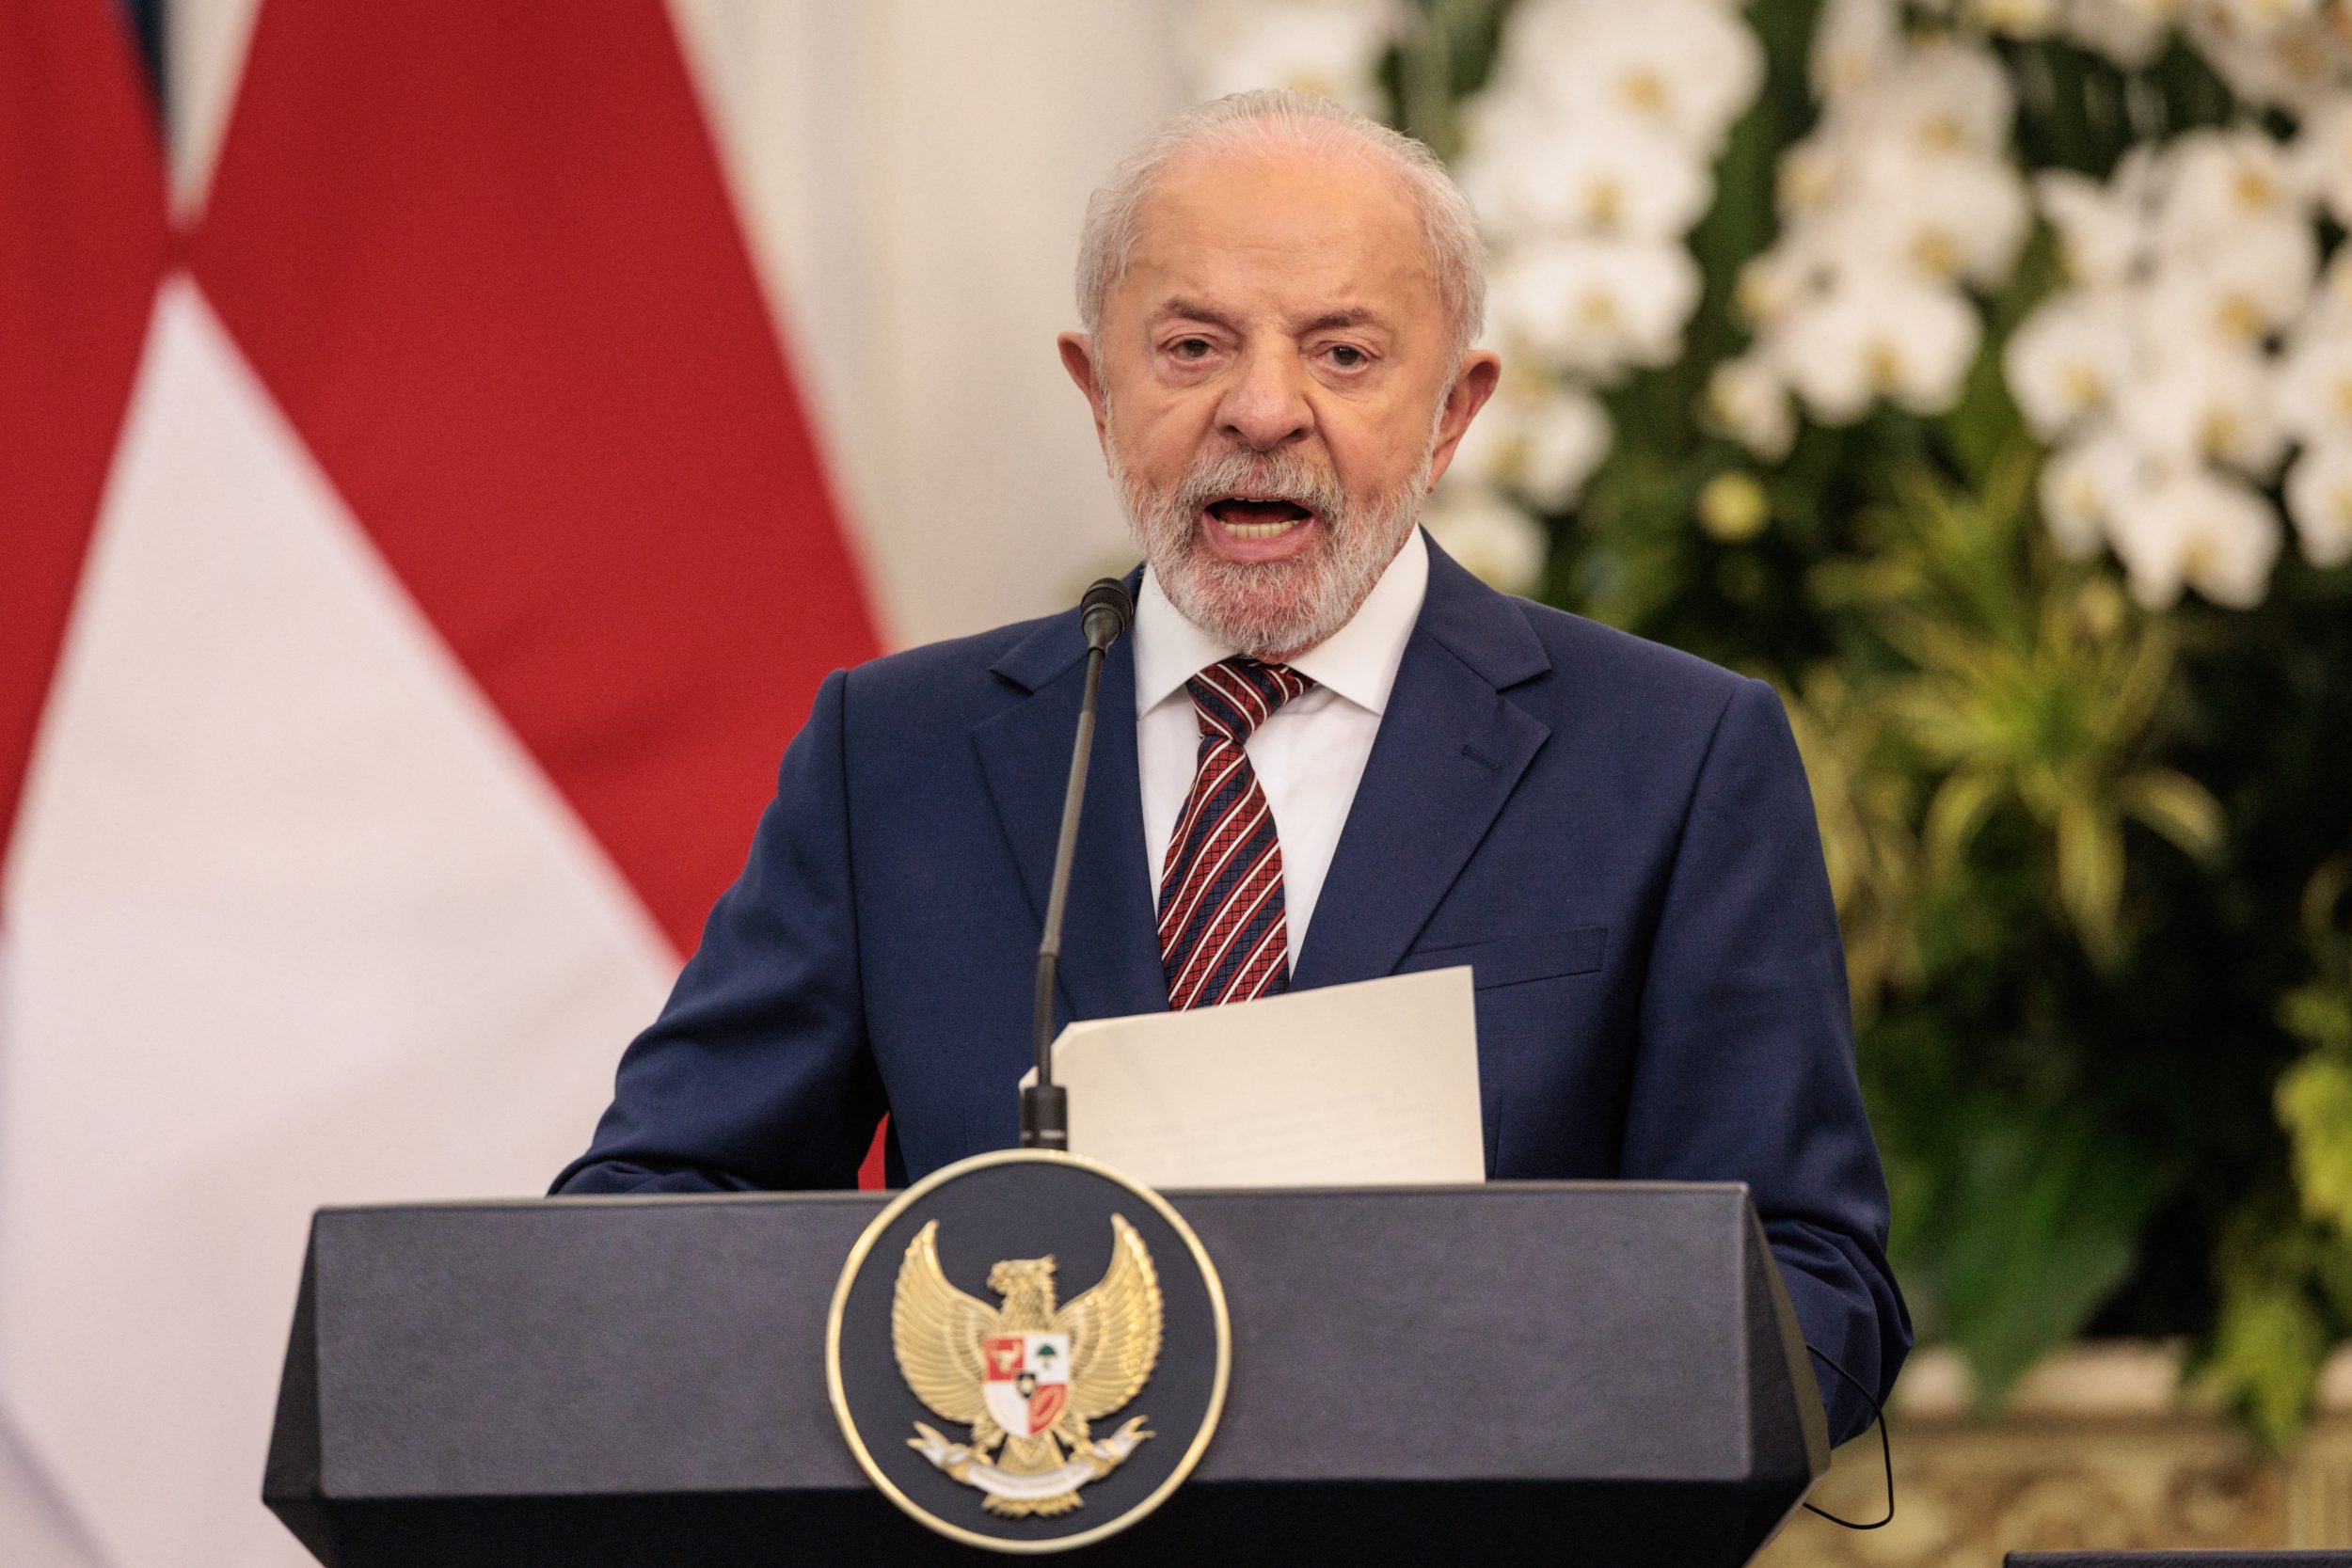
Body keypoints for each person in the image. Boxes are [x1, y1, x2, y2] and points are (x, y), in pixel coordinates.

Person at [553, 88, 1908, 1441]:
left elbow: (1817, 1296)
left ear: (1454, 409)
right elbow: (647, 1216)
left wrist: (1499, 1394)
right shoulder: (895, 754)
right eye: (1192, 347)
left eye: (1344, 354)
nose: (1263, 411)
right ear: (1098, 391)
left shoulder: (1673, 759)